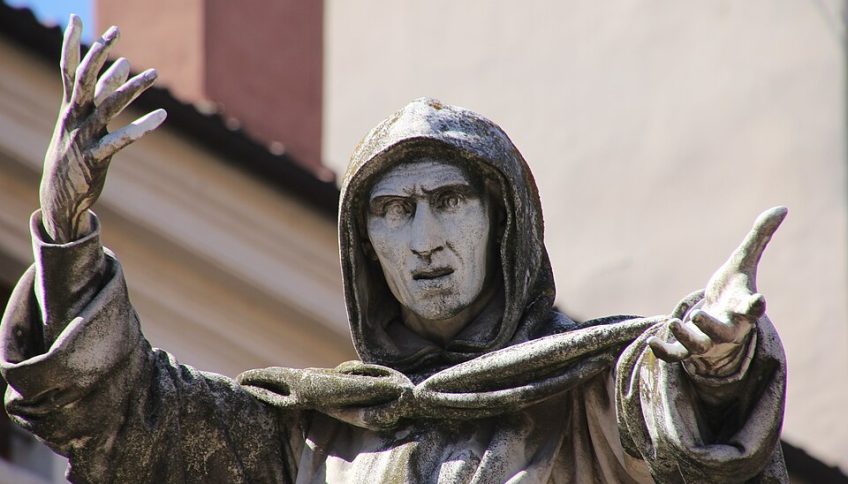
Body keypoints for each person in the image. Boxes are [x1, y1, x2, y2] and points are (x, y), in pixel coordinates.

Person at [0, 18, 788, 483]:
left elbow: (682, 432)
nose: (425, 240)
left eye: (450, 202)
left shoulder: (587, 394)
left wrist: (716, 367)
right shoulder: (309, 434)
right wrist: (66, 232)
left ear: (502, 221)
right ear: (365, 247)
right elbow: (122, 416)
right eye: (393, 211)